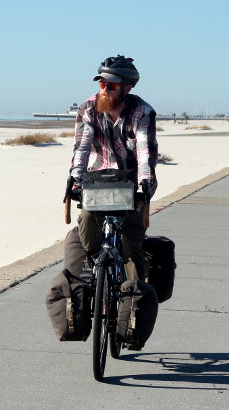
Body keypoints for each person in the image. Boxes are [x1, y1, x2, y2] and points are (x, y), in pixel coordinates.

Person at [64, 55, 158, 281]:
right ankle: (92, 265)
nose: (105, 89)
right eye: (101, 83)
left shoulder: (142, 111)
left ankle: (133, 301)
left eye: (112, 85)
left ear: (127, 87)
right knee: (87, 221)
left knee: (131, 246)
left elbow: (144, 149)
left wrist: (145, 181)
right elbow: (82, 146)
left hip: (131, 184)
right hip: (98, 181)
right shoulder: (88, 108)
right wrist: (74, 177)